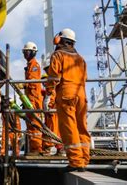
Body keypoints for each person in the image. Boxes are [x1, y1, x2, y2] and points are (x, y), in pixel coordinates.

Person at [45, 28, 90, 172]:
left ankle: (76, 162)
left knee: (69, 128)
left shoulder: (58, 55)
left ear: (60, 40)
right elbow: (85, 78)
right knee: (81, 127)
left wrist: (48, 95)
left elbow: (53, 78)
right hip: (81, 95)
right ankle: (84, 159)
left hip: (66, 94)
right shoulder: (80, 58)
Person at [22, 41, 43, 156]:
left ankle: (36, 149)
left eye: (26, 52)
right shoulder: (30, 65)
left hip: (34, 99)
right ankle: (33, 148)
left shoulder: (34, 65)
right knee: (30, 124)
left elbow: (33, 83)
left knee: (34, 123)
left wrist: (24, 85)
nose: (25, 54)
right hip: (30, 98)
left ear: (32, 52)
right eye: (24, 52)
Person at [41, 73, 63, 156]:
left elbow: (52, 99)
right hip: (50, 113)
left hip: (51, 113)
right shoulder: (48, 90)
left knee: (51, 131)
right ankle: (59, 149)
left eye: (45, 80)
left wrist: (50, 109)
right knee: (55, 131)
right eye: (42, 81)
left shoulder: (52, 89)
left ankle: (48, 149)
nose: (43, 83)